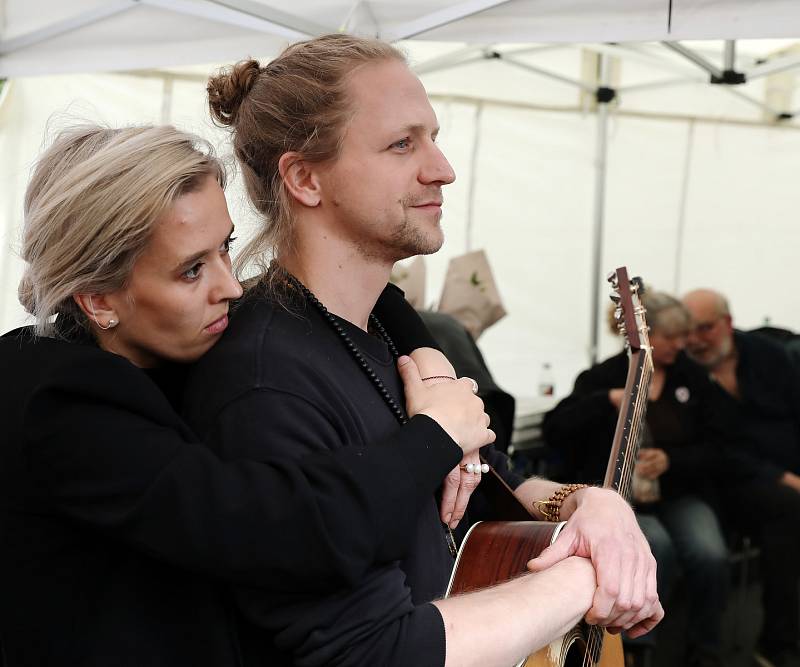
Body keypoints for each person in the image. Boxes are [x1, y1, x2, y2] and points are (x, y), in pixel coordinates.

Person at [184, 34, 662, 667]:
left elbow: (501, 484)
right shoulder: (265, 379)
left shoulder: (390, 328)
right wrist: (582, 579)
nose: (442, 168)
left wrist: (587, 505)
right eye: (402, 144)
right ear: (304, 178)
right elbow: (370, 651)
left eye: (433, 137)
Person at [0, 123, 494, 666]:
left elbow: (367, 301)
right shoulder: (61, 407)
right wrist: (437, 436)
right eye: (191, 270)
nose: (230, 287)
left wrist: (430, 361)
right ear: (96, 299)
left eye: (226, 249)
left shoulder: (147, 344)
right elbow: (286, 529)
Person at [543, 291, 744, 667]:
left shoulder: (692, 379)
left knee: (710, 554)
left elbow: (722, 447)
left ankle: (706, 651)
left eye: (683, 335)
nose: (681, 344)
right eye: (671, 336)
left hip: (680, 493)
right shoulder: (602, 377)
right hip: (622, 499)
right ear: (645, 335)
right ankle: (637, 652)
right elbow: (555, 428)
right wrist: (605, 400)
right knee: (656, 548)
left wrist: (672, 460)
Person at [683, 288, 800, 667]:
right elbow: (717, 451)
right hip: (726, 485)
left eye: (706, 328)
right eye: (689, 330)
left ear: (727, 323)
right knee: (788, 510)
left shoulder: (770, 355)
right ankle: (778, 642)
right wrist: (784, 478)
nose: (696, 340)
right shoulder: (685, 373)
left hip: (782, 477)